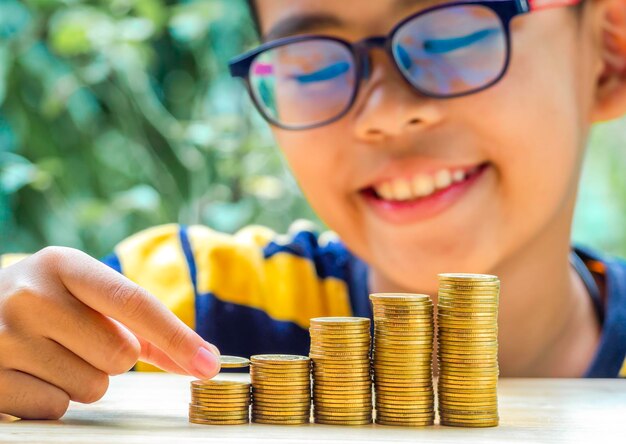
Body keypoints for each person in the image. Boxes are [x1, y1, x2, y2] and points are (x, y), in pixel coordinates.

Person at [1, 0, 625, 420]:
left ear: (608, 50)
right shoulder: (172, 305)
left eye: (454, 33)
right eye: (312, 64)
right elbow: (24, 317)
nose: (385, 113)